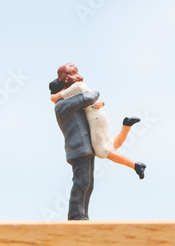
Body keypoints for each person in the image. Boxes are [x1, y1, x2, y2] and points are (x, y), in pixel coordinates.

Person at [51, 72, 145, 180]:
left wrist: (100, 100)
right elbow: (91, 97)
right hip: (100, 117)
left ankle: (135, 165)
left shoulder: (70, 98)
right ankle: (127, 126)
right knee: (114, 144)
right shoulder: (71, 98)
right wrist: (100, 101)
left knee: (104, 152)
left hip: (95, 121)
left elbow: (88, 98)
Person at [51, 75, 101, 220]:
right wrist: (92, 91)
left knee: (88, 183)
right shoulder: (62, 105)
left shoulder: (67, 104)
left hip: (86, 148)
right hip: (78, 149)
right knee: (81, 182)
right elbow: (87, 98)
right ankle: (75, 215)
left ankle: (83, 214)